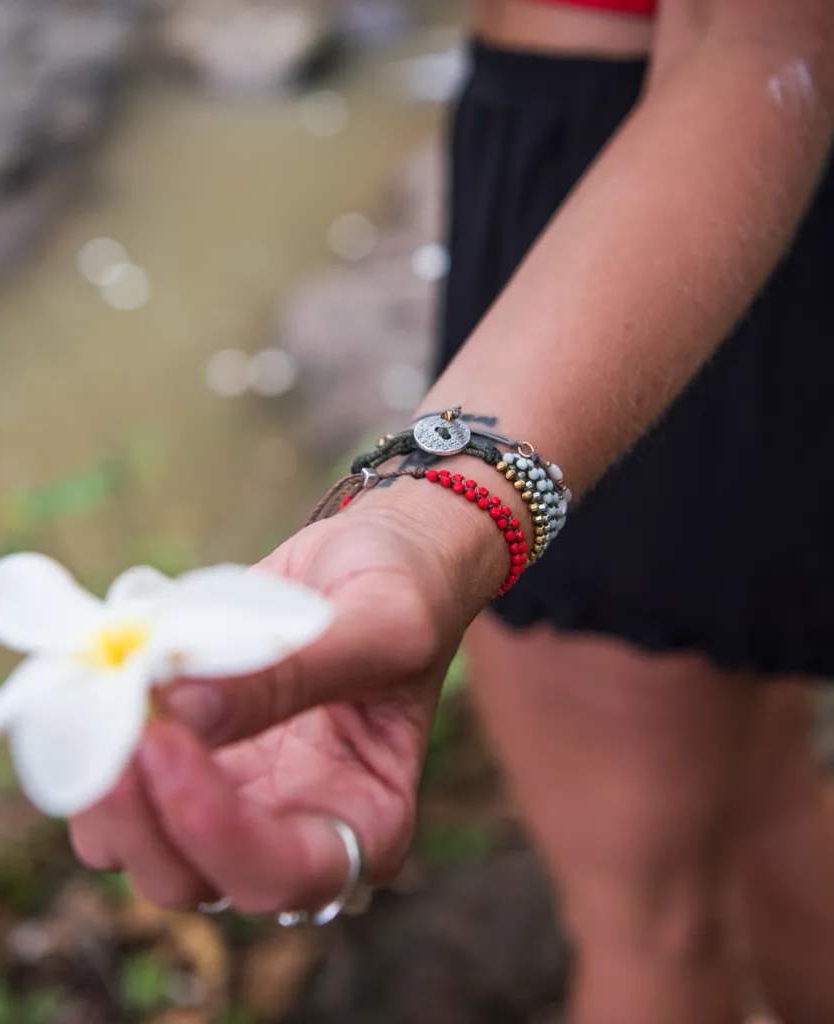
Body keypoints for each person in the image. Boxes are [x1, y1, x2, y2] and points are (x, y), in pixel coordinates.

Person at [69, 1, 834, 1021]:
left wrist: (435, 511)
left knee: (642, 915)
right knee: (765, 788)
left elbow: (757, 46)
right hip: (756, 170)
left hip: (627, 187)